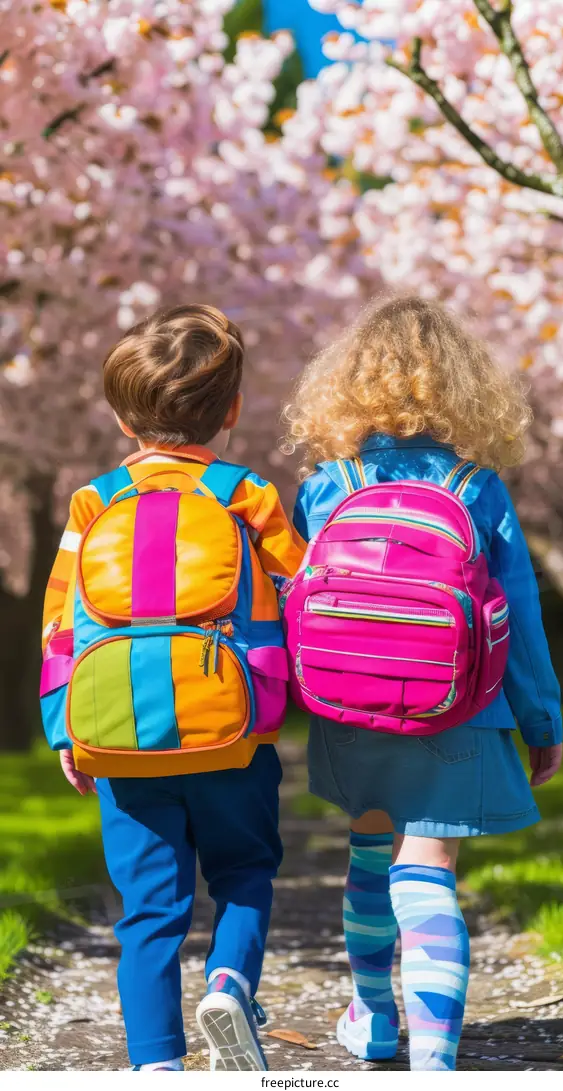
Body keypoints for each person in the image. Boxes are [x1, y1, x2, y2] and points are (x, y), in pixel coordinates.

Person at [286, 296, 563, 1071]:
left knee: (370, 852)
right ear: (464, 386)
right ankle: (434, 1062)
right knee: (428, 868)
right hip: (458, 708)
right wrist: (540, 721)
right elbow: (523, 616)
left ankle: (373, 1018)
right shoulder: (479, 489)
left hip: (348, 705)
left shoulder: (325, 484)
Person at [41, 304, 305, 1072]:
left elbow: (61, 622)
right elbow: (303, 586)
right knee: (246, 872)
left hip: (119, 736)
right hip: (233, 731)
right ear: (231, 410)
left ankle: (155, 1062)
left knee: (148, 911)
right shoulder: (246, 494)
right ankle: (228, 982)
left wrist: (65, 726)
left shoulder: (93, 505)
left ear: (124, 419)